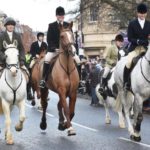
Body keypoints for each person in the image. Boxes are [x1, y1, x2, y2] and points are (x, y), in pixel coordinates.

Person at [39, 6, 80, 88]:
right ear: (56, 16)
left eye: (62, 15)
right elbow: (49, 40)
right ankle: (43, 79)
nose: (61, 17)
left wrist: (72, 47)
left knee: (78, 60)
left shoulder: (67, 25)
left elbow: (71, 38)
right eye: (59, 15)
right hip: (54, 50)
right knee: (47, 59)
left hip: (67, 49)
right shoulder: (51, 25)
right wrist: (54, 48)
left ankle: (80, 81)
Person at [123, 3, 150, 90]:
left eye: (144, 13)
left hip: (146, 48)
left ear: (146, 13)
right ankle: (126, 82)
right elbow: (130, 38)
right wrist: (138, 41)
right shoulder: (132, 23)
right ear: (137, 13)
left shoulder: (149, 24)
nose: (142, 15)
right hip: (135, 48)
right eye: (140, 13)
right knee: (129, 62)